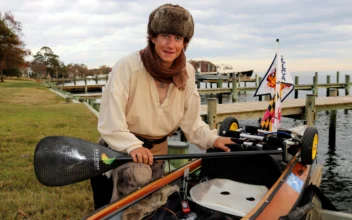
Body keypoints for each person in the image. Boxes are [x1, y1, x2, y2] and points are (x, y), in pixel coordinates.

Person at [91, 3, 235, 210]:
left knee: (154, 205)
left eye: (178, 39)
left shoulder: (187, 71)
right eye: (166, 36)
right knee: (136, 181)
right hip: (121, 149)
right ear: (153, 37)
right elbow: (110, 121)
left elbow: (192, 123)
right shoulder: (128, 66)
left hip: (158, 152)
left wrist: (214, 138)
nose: (171, 45)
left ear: (184, 43)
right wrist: (132, 146)